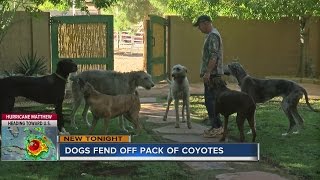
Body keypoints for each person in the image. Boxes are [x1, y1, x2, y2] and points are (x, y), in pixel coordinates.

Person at [193, 15, 224, 137]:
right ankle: (217, 126)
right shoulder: (210, 36)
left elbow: (214, 56)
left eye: (199, 26)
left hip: (213, 75)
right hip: (212, 74)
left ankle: (217, 127)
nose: (199, 29)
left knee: (211, 102)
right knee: (211, 101)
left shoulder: (213, 36)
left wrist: (208, 72)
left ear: (205, 23)